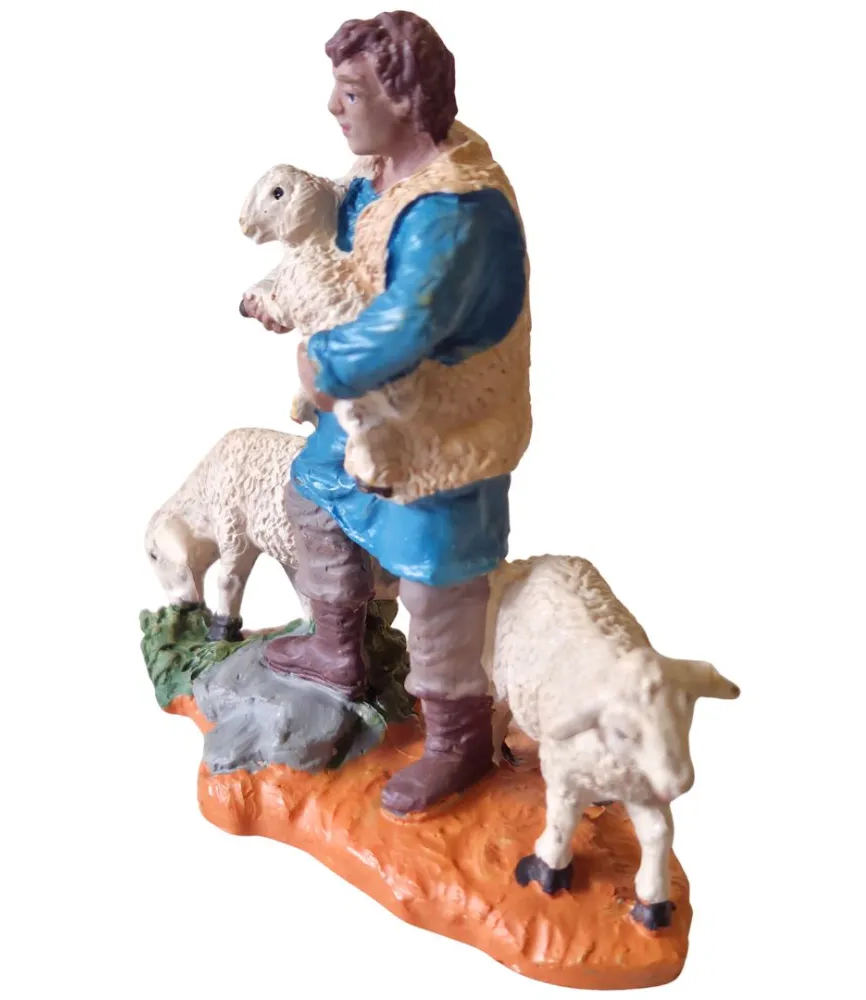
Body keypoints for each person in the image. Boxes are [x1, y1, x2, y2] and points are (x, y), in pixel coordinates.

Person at [240, 11, 531, 816]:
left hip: (445, 433)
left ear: (404, 101)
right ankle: (339, 650)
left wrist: (322, 362)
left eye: (351, 92)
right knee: (314, 493)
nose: (334, 107)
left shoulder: (454, 212)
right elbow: (347, 236)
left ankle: (458, 741)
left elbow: (407, 323)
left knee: (439, 586)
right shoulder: (380, 172)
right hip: (376, 416)